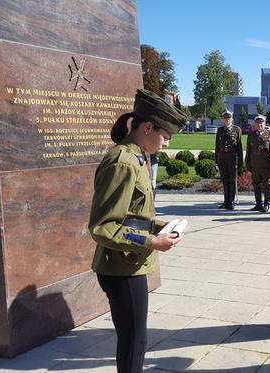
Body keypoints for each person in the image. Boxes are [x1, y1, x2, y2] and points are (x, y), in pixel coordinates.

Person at [89, 89, 186, 373]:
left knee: (135, 338)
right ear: (147, 128)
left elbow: (132, 213)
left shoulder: (137, 157)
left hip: (130, 263)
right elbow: (102, 226)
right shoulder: (122, 161)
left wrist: (160, 227)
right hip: (121, 268)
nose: (166, 144)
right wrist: (152, 241)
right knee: (134, 341)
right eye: (166, 136)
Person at [245, 114, 270, 212]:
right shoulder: (251, 135)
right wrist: (248, 164)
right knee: (256, 185)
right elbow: (248, 150)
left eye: (261, 122)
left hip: (266, 165)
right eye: (258, 122)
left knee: (267, 185)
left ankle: (266, 204)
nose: (260, 124)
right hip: (255, 165)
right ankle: (258, 204)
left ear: (264, 123)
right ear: (255, 124)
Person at [215, 110, 243, 210]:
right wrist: (216, 160)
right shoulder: (220, 130)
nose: (227, 120)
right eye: (225, 118)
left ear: (232, 119)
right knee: (225, 180)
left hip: (232, 157)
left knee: (232, 180)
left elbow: (239, 146)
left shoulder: (237, 130)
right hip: (222, 157)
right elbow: (217, 147)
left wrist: (240, 161)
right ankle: (225, 201)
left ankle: (231, 202)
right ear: (223, 119)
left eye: (229, 118)